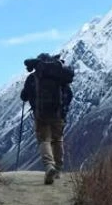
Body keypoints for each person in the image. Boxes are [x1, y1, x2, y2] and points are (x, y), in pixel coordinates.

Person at [20, 53, 74, 185]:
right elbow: (69, 94)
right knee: (58, 140)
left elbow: (24, 96)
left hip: (41, 114)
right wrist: (64, 108)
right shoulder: (59, 76)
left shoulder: (33, 77)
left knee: (44, 140)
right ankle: (59, 169)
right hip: (58, 113)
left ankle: (49, 166)